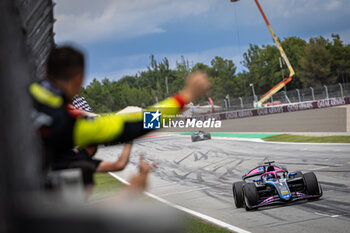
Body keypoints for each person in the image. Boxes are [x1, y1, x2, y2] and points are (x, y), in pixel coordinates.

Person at [29, 45, 210, 190]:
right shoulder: (67, 123)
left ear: (46, 72)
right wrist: (184, 96)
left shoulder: (24, 92)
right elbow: (132, 125)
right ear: (79, 78)